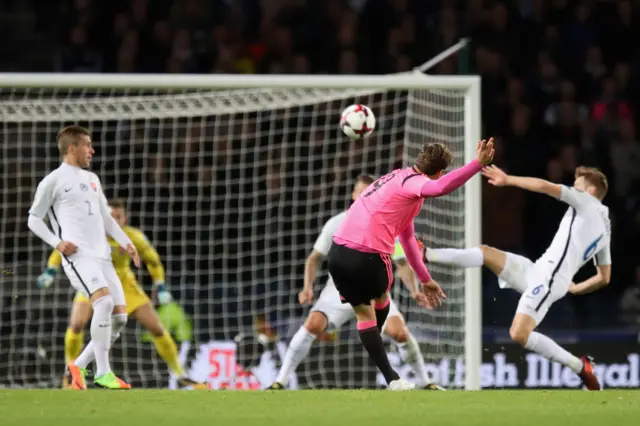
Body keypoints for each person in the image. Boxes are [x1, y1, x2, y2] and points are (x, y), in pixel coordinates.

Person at [327, 139, 495, 390]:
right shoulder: (414, 183)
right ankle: (389, 370)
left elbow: (407, 240)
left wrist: (425, 279)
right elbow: (440, 188)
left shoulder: (395, 180)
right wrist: (476, 165)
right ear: (439, 172)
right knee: (381, 297)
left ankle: (382, 360)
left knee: (365, 312)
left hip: (338, 253)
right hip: (368, 256)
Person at [425, 165, 608, 390]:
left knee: (518, 333)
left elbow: (544, 186)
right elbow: (604, 277)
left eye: (577, 186)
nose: (572, 188)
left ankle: (580, 367)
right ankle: (427, 254)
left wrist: (507, 178)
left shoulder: (586, 202)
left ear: (589, 191)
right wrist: (575, 288)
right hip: (539, 271)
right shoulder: (604, 231)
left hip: (549, 279)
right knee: (485, 253)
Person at [268, 175, 442, 390]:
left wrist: (414, 290)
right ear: (353, 195)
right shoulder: (337, 222)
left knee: (400, 333)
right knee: (313, 324)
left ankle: (426, 382)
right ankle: (280, 381)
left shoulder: (387, 224)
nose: (364, 196)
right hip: (339, 289)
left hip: (374, 290)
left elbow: (401, 263)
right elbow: (315, 257)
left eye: (368, 192)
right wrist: (307, 287)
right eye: (360, 192)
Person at [38, 199, 206, 389]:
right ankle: (70, 374)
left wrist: (161, 286)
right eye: (111, 216)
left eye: (118, 216)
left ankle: (180, 374)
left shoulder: (132, 237)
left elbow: (153, 261)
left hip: (126, 286)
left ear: (124, 218)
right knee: (76, 324)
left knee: (157, 328)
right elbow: (61, 249)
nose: (115, 220)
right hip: (93, 282)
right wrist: (50, 271)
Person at [27, 125, 134, 390]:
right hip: (79, 257)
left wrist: (126, 241)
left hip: (103, 257)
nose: (92, 150)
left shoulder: (92, 179)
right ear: (72, 147)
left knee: (120, 318)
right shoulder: (53, 180)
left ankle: (79, 364)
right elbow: (33, 218)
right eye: (87, 144)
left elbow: (106, 218)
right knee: (105, 303)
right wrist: (57, 242)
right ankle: (103, 372)